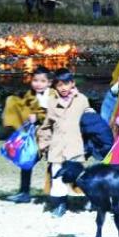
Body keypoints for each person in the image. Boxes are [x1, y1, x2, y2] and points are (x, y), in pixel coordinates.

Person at [37, 68, 91, 218]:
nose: (63, 88)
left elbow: (90, 121)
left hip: (75, 145)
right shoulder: (52, 103)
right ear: (54, 87)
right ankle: (60, 204)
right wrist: (44, 142)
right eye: (59, 85)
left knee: (79, 175)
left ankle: (90, 198)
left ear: (72, 83)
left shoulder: (82, 100)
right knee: (57, 176)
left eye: (66, 84)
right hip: (57, 146)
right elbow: (47, 125)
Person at [2, 65, 55, 204]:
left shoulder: (53, 95)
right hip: (34, 133)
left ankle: (56, 195)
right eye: (35, 80)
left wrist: (39, 117)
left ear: (49, 82)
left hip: (51, 133)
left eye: (42, 81)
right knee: (27, 160)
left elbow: (56, 113)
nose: (38, 84)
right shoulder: (30, 94)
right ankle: (24, 192)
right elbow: (24, 107)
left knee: (54, 163)